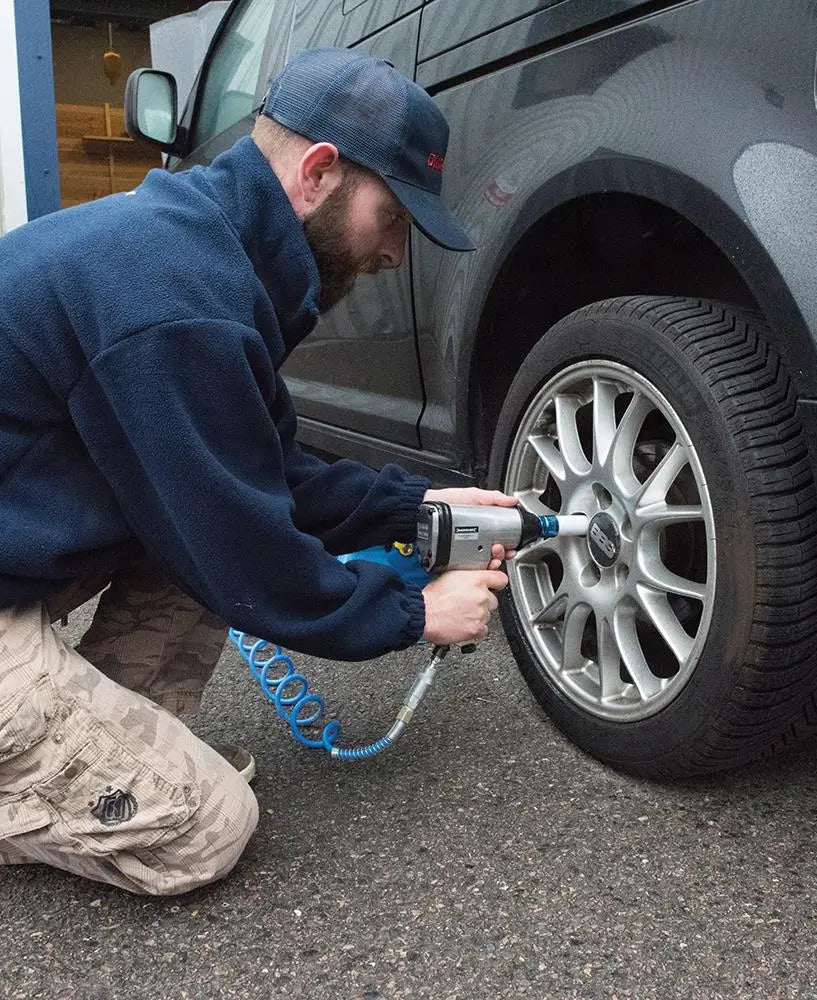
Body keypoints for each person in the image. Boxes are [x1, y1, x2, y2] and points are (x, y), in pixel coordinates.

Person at [0, 48, 511, 895]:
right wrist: (412, 612)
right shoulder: (178, 296)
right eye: (391, 217)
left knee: (184, 543)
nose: (394, 253)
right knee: (205, 829)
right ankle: (65, 785)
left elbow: (266, 479)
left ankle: (101, 759)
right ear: (319, 172)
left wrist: (420, 505)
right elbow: (245, 550)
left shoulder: (197, 254)